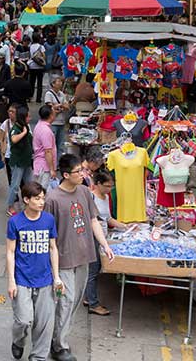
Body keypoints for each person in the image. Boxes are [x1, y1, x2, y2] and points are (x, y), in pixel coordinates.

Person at [45, 154, 114, 361]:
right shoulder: (52, 199)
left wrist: (105, 244)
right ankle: (59, 346)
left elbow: (93, 220)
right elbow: (48, 234)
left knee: (74, 302)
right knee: (65, 301)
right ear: (66, 175)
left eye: (83, 171)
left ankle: (57, 337)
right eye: (78, 172)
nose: (83, 174)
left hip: (84, 255)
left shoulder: (84, 192)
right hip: (64, 258)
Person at [6, 181, 63, 361]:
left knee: (45, 324)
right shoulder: (15, 222)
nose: (41, 202)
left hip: (45, 279)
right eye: (37, 199)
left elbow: (53, 248)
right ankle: (18, 340)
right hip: (22, 279)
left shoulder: (48, 220)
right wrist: (11, 281)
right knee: (23, 320)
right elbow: (10, 252)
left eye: (42, 198)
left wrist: (57, 278)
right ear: (26, 199)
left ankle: (38, 356)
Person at [84, 170, 126, 316]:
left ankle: (88, 297)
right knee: (93, 270)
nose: (110, 189)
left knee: (95, 269)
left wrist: (126, 226)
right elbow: (91, 220)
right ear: (98, 184)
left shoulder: (106, 197)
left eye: (111, 186)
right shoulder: (90, 197)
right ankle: (93, 303)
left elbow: (108, 219)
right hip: (92, 237)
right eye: (107, 186)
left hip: (103, 235)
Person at [6, 105, 33, 215]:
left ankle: (28, 203)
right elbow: (14, 139)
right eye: (28, 116)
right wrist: (24, 133)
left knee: (29, 184)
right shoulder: (16, 129)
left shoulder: (25, 126)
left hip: (27, 161)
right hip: (18, 162)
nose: (30, 118)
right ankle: (10, 206)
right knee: (15, 185)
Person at [44, 76, 71, 157]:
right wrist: (59, 106)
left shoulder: (62, 94)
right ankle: (51, 162)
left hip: (61, 122)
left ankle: (58, 163)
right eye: (58, 82)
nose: (60, 83)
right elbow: (50, 107)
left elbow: (67, 106)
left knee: (60, 145)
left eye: (61, 82)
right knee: (52, 144)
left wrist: (59, 105)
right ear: (53, 84)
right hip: (53, 122)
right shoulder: (49, 94)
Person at [32, 105, 57, 189]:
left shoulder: (39, 125)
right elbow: (48, 152)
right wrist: (52, 169)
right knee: (43, 191)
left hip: (39, 164)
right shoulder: (46, 131)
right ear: (50, 115)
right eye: (54, 112)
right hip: (44, 167)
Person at [27, 33, 46, 103]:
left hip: (32, 66)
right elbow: (44, 56)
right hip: (40, 67)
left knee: (31, 82)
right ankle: (38, 98)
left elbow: (29, 56)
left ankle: (30, 97)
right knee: (39, 83)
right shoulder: (41, 47)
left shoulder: (30, 46)